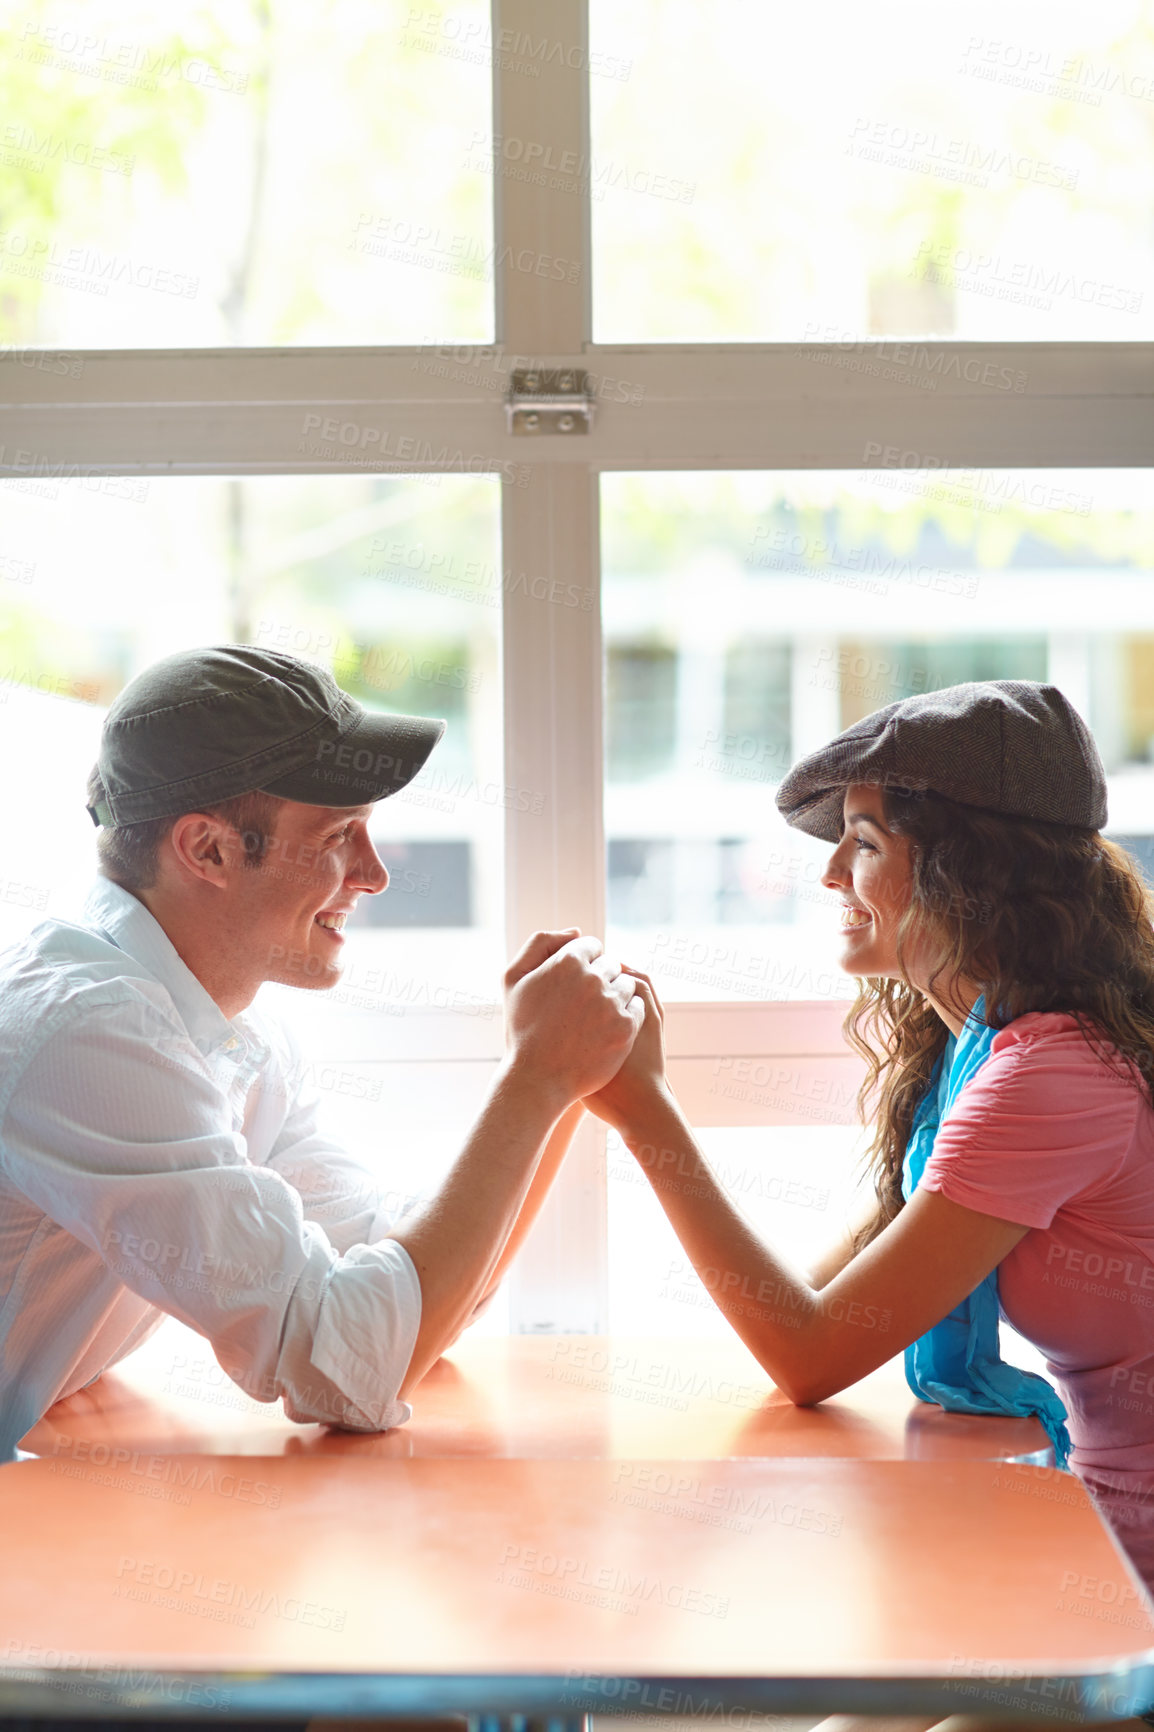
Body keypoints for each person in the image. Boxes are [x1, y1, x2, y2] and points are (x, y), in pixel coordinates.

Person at [585, 680, 1154, 1732]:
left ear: (963, 866)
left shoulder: (1048, 1075)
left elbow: (808, 1349)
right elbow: (819, 1300)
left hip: (1124, 1584)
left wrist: (643, 1113)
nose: (827, 873)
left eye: (859, 840)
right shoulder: (980, 1048)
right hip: (1086, 1536)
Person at [0, 644, 643, 1460]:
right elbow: (348, 1370)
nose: (374, 875)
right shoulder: (93, 1034)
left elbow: (412, 1308)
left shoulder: (234, 1033)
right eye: (342, 834)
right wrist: (538, 1078)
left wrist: (557, 1081)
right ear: (208, 850)